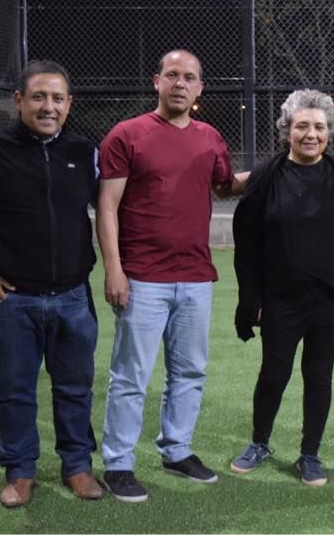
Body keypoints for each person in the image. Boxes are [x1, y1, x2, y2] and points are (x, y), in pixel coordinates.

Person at [0, 60, 103, 508]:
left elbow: (110, 209)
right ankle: (19, 471)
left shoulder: (86, 153)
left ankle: (77, 466)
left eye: (57, 99)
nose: (48, 107)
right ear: (19, 101)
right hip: (12, 300)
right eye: (38, 97)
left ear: (69, 104)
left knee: (76, 388)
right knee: (14, 392)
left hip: (73, 296)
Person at [97, 49, 248, 503]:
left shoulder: (209, 137)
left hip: (196, 276)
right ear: (157, 81)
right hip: (143, 277)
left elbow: (224, 187)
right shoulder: (127, 135)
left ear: (200, 87)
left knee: (190, 371)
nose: (180, 83)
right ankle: (118, 463)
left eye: (190, 77)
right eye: (173, 75)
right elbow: (107, 207)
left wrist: (278, 166)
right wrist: (114, 270)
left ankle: (176, 450)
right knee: (131, 376)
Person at [229, 89, 334, 487]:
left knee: (318, 376)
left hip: (327, 299)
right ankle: (259, 443)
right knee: (274, 374)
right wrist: (251, 298)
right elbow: (248, 242)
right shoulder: (267, 175)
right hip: (280, 297)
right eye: (302, 126)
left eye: (319, 127)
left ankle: (310, 454)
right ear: (286, 129)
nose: (311, 134)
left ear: (329, 131)